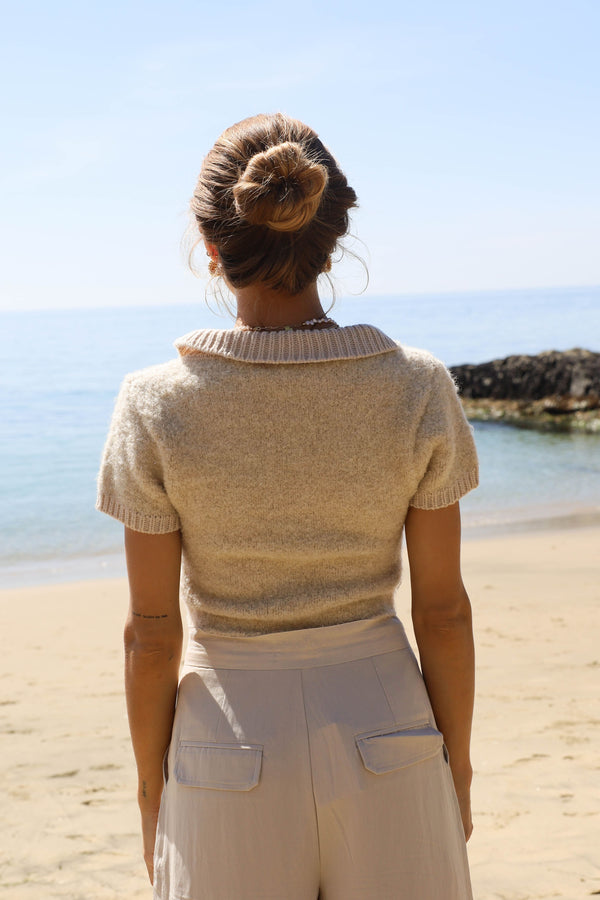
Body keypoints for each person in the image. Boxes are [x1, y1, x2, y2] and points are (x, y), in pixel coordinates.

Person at [97, 112, 478, 900]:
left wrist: (149, 795)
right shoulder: (415, 385)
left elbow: (151, 633)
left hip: (223, 740)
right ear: (331, 240)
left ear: (212, 249)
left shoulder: (154, 404)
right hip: (389, 726)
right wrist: (458, 769)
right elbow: (444, 614)